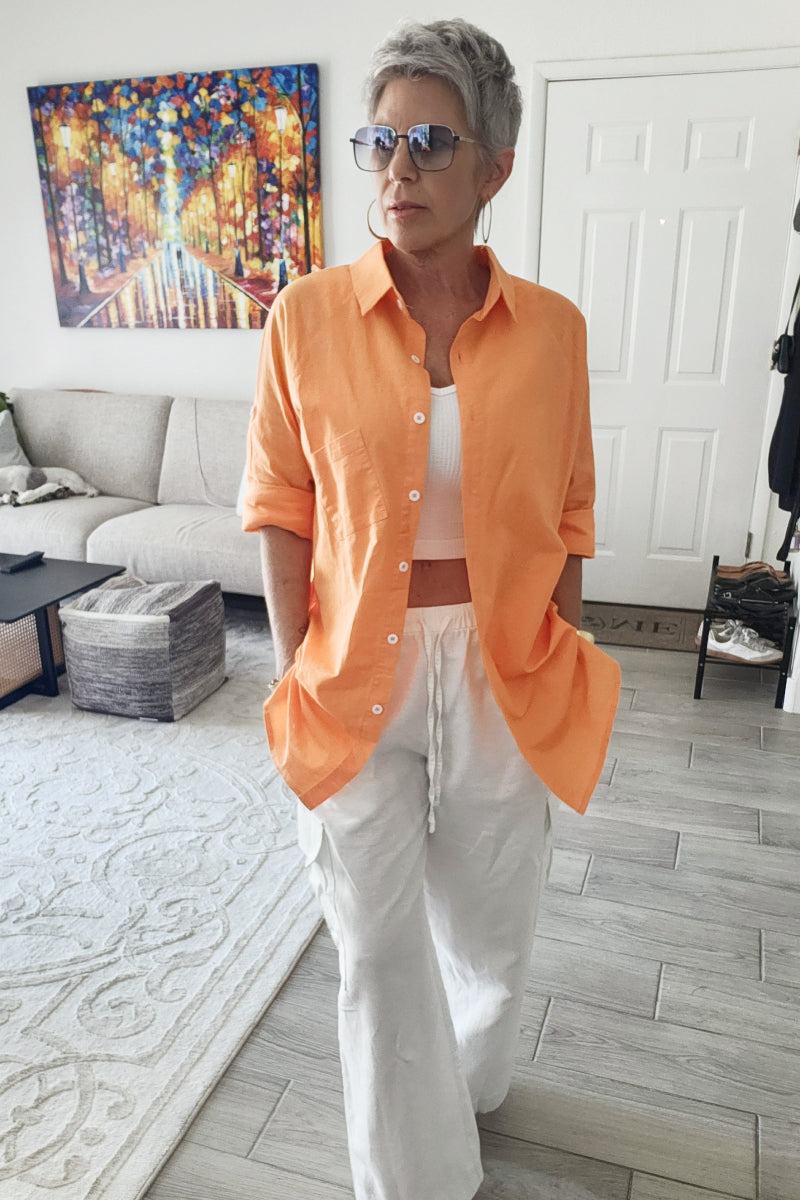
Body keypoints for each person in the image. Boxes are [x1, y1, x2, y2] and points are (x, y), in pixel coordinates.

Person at [241, 17, 622, 1200]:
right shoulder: (302, 317)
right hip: (355, 664)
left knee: (489, 917)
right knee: (371, 940)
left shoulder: (552, 329)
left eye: (429, 142)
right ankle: (412, 1177)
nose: (396, 170)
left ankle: (473, 1072)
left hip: (505, 663)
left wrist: (558, 637)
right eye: (378, 142)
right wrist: (296, 655)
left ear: (493, 165)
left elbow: (569, 504)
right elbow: (277, 502)